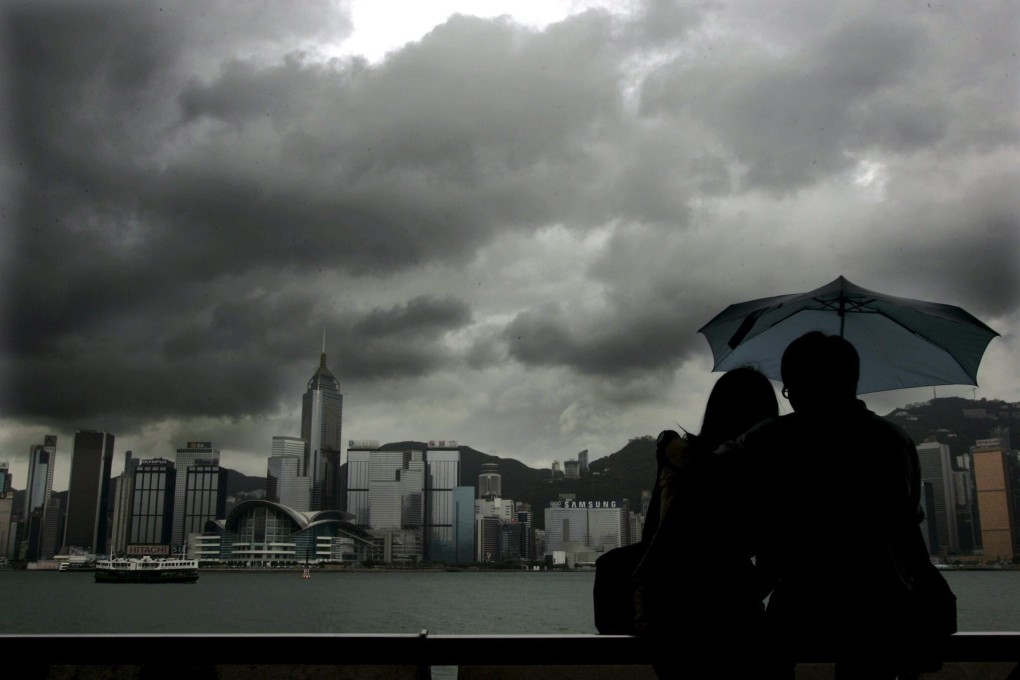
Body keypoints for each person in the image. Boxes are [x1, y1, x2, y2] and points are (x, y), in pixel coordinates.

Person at [718, 331, 948, 679]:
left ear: (794, 386)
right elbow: (907, 533)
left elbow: (710, 472)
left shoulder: (771, 438)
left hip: (799, 602)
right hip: (881, 609)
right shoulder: (893, 440)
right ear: (852, 382)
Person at [632, 366, 779, 678]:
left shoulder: (678, 461)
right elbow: (771, 557)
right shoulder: (759, 474)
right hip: (735, 615)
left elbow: (652, 537)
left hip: (670, 618)